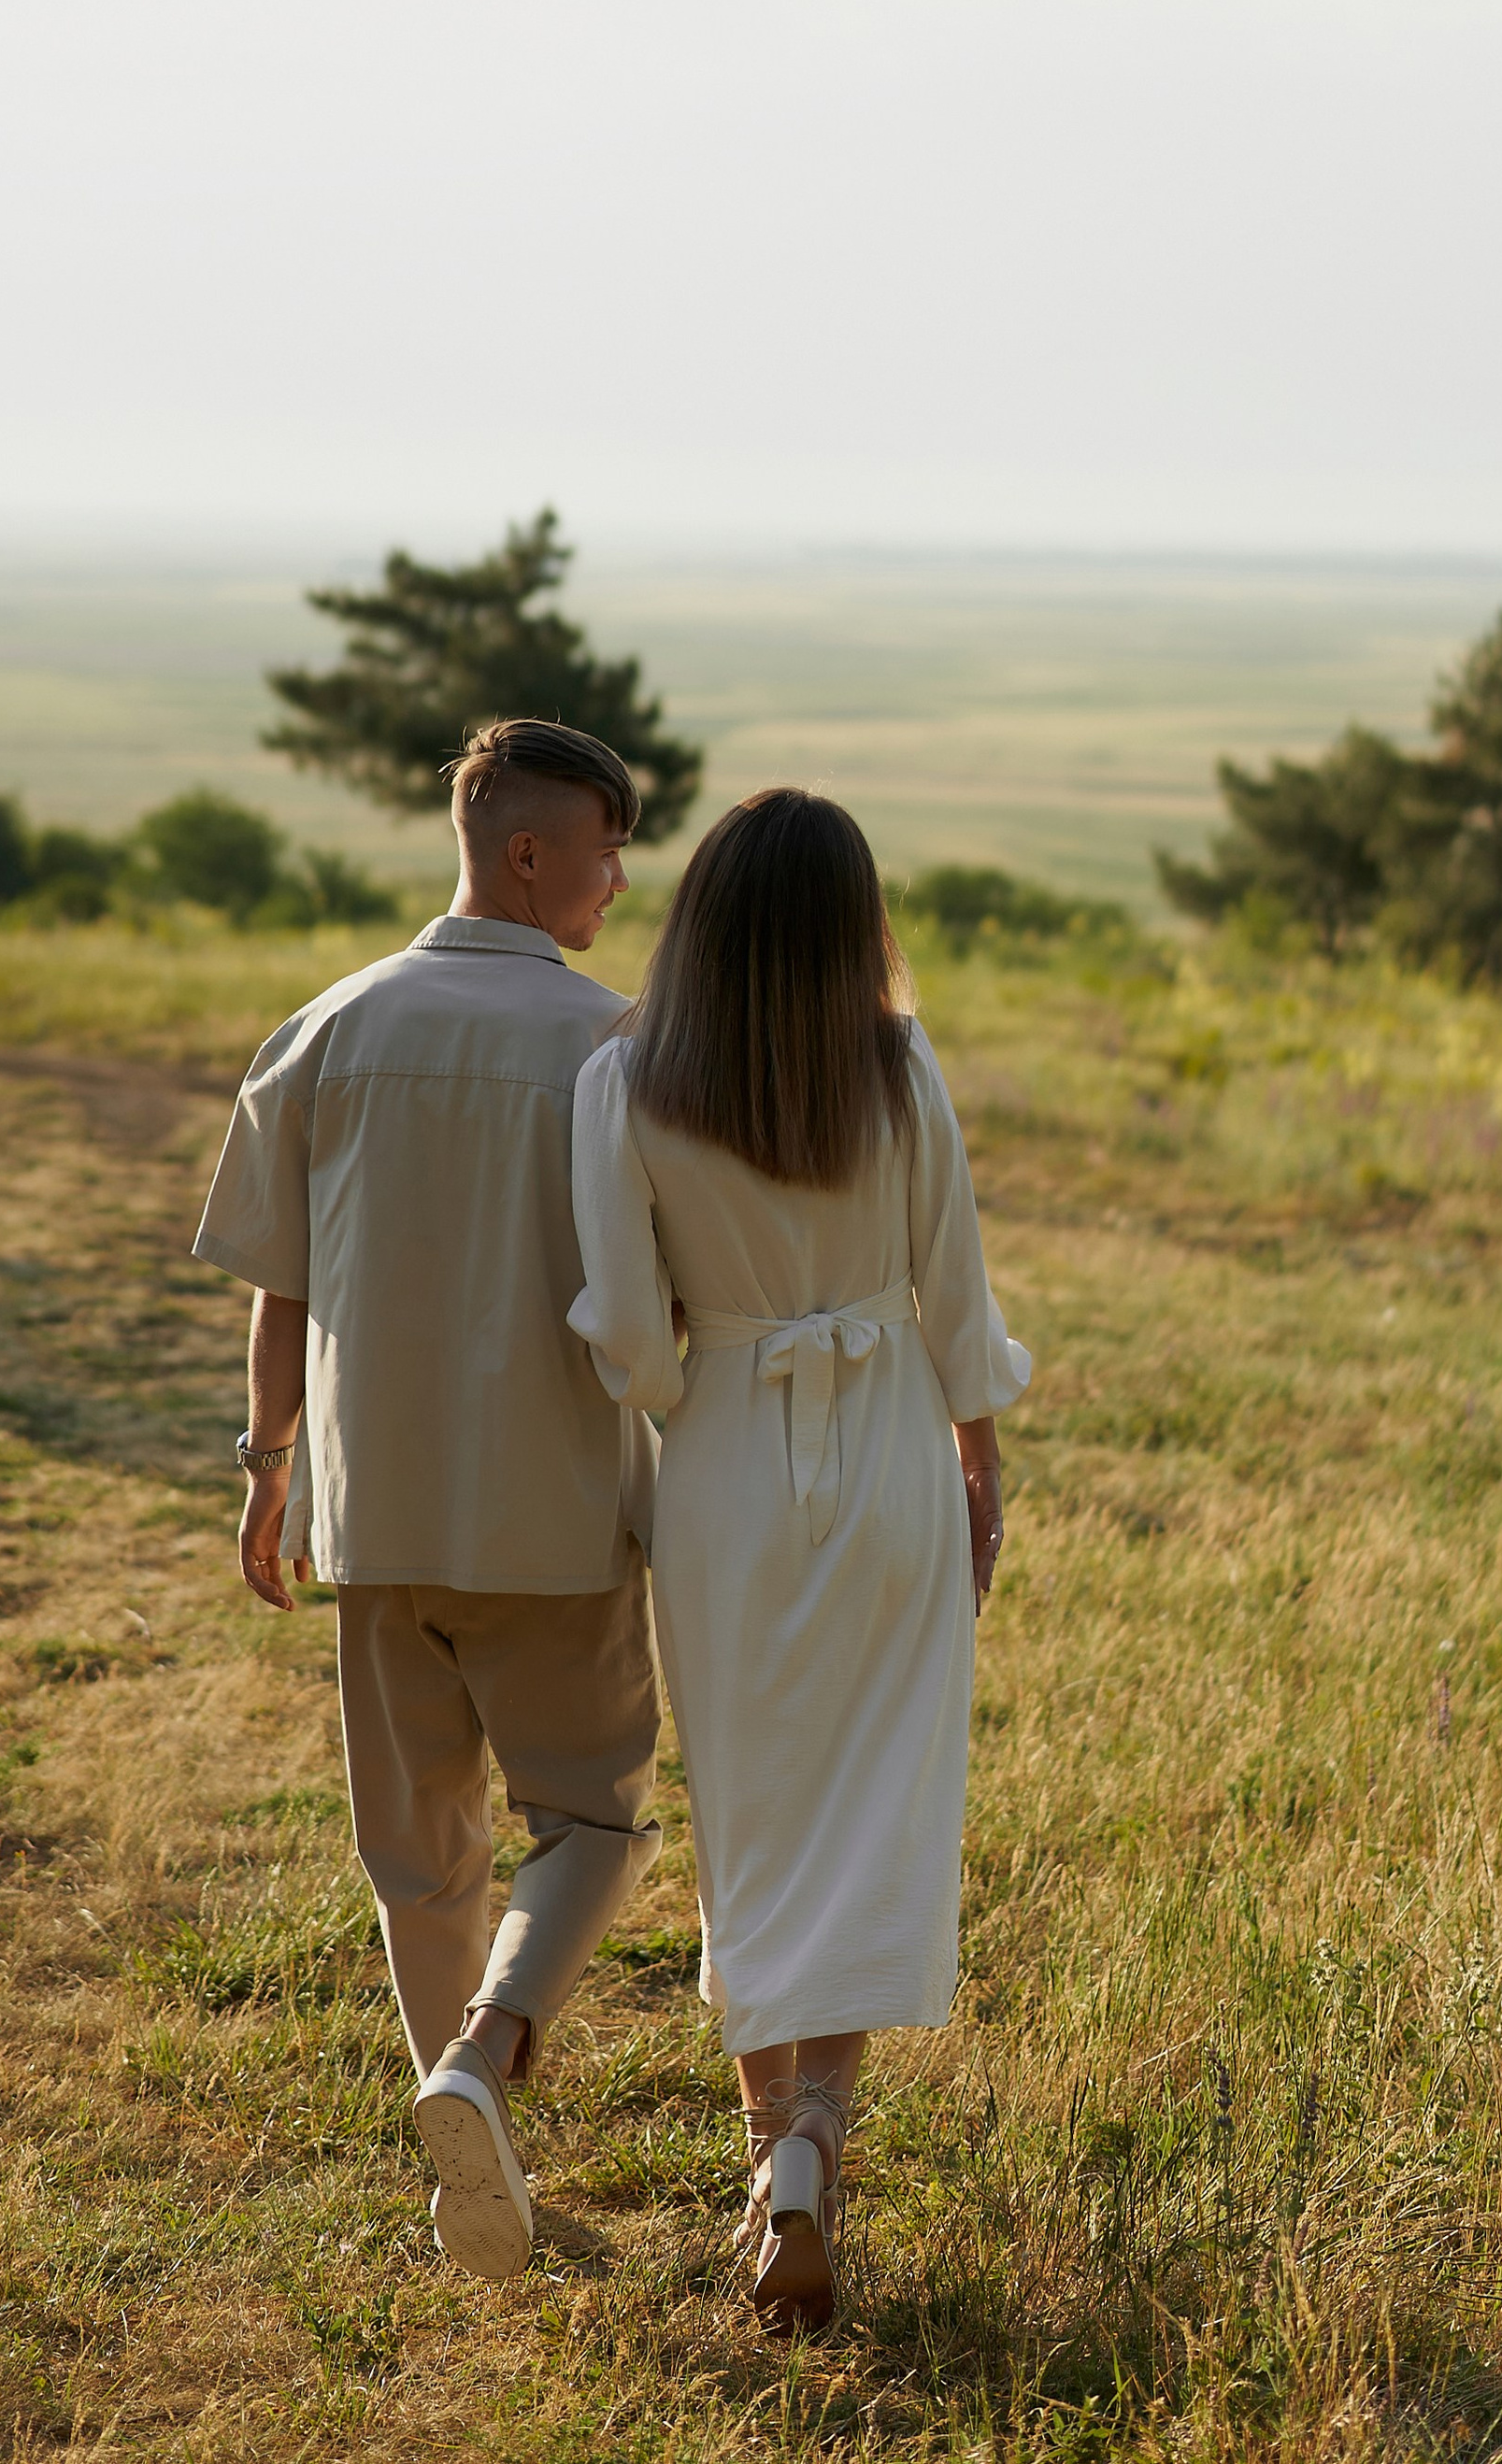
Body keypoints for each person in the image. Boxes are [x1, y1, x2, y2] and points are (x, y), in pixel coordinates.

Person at [195, 716, 662, 2284]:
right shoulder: (619, 1045)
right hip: (559, 1515)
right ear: (525, 851)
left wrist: (268, 1468)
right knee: (592, 1812)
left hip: (372, 1513)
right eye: (605, 845)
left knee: (418, 1853)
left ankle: (467, 2142)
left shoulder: (329, 1024)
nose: (618, 875)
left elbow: (278, 1283)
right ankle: (479, 2066)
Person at [567, 788, 1029, 2337]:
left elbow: (632, 1340)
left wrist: (694, 1371)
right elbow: (955, 1294)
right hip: (895, 1449)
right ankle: (816, 2149)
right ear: (855, 926)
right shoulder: (902, 1071)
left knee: (754, 1820)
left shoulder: (624, 1080)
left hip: (726, 1472)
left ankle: (777, 2162)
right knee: (877, 1801)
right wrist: (976, 1461)